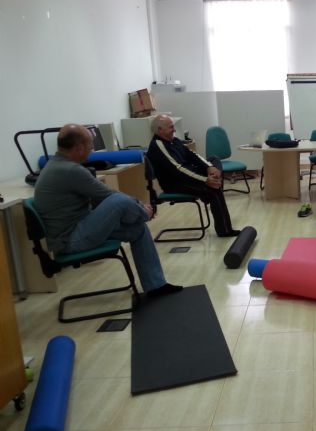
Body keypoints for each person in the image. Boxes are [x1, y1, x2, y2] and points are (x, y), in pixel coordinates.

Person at [34, 124, 181, 297]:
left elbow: (100, 198)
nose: (92, 150)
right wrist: (142, 208)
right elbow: (108, 195)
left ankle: (156, 286)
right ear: (79, 148)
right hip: (70, 240)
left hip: (78, 228)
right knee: (118, 201)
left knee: (138, 229)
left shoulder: (57, 164)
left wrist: (136, 207)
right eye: (90, 145)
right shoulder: (69, 170)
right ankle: (145, 214)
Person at [146, 114, 240, 237]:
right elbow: (178, 170)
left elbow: (192, 155)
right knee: (214, 191)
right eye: (171, 127)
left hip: (188, 175)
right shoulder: (158, 146)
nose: (174, 130)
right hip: (176, 183)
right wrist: (204, 180)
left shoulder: (174, 140)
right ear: (160, 130)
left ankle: (214, 179)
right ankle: (225, 231)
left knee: (213, 159)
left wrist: (209, 167)